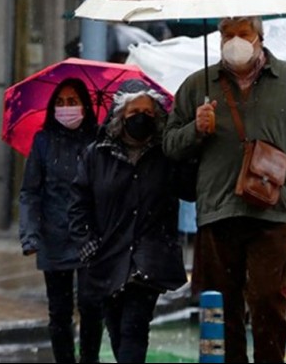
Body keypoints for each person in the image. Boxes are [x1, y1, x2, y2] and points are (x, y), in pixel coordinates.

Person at [162, 16, 286, 363]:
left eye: (244, 33)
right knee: (223, 306)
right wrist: (196, 128)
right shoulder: (198, 85)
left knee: (268, 299)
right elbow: (169, 144)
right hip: (218, 209)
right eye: (227, 34)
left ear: (259, 37)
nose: (234, 40)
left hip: (274, 210)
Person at [70, 79, 192, 363]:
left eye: (149, 113)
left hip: (149, 259)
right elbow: (78, 205)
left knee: (134, 328)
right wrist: (87, 241)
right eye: (135, 111)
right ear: (120, 115)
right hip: (108, 257)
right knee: (116, 330)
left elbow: (188, 189)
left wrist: (192, 145)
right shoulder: (95, 155)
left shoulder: (166, 155)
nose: (141, 118)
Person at [19, 77, 104, 363]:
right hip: (53, 236)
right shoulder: (43, 142)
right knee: (59, 311)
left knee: (92, 305)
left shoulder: (98, 140)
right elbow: (30, 192)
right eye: (60, 102)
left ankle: (89, 359)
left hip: (90, 238)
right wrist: (30, 235)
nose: (66, 108)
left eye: (72, 102)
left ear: (84, 106)